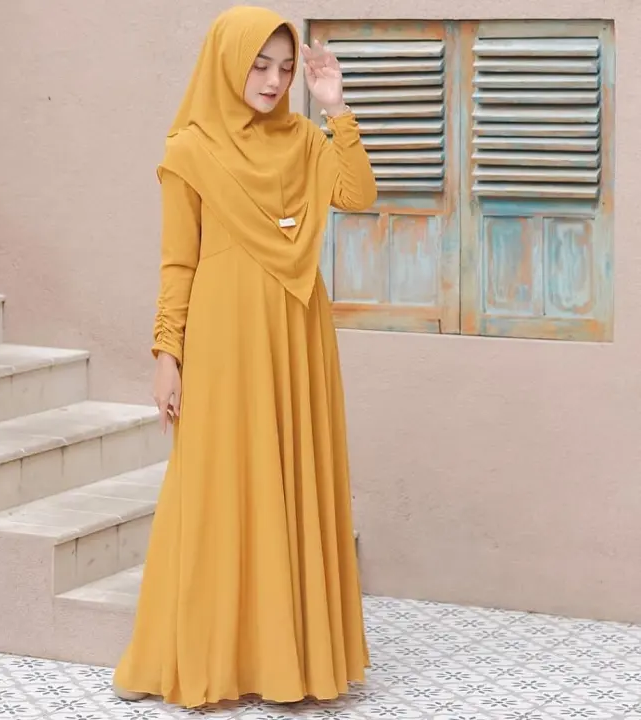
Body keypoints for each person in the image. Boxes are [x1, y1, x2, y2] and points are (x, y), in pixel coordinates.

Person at [112, 5, 377, 709]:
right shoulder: (190, 150)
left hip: (297, 333)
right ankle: (201, 657)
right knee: (215, 489)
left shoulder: (306, 141)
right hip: (224, 338)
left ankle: (288, 660)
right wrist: (167, 353)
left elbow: (357, 194)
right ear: (227, 63)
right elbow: (178, 262)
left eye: (285, 68)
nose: (273, 80)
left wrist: (335, 108)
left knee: (291, 480)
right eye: (259, 65)